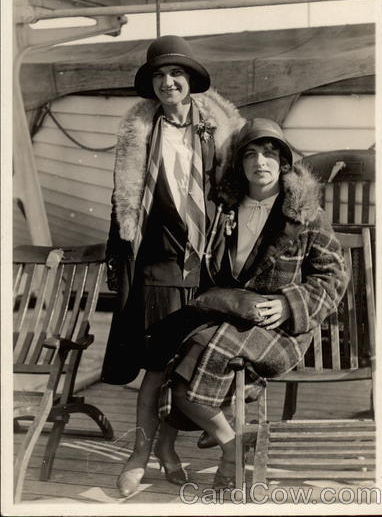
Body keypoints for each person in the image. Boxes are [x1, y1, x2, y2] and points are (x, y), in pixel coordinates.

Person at [140, 117, 349, 492]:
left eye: (270, 153)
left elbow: (334, 278)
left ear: (284, 163)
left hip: (277, 329)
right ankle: (232, 446)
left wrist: (289, 304)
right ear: (240, 164)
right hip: (228, 315)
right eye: (250, 154)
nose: (260, 162)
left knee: (194, 363)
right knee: (177, 353)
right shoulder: (223, 209)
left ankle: (221, 444)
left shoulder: (306, 216)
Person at [100, 35, 244, 495]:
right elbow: (125, 202)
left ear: (191, 82)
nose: (168, 82)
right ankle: (139, 455)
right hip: (158, 262)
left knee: (193, 365)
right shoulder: (143, 133)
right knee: (158, 366)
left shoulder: (218, 132)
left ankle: (166, 447)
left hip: (208, 267)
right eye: (160, 76)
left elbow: (244, 189)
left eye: (176, 74)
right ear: (152, 86)